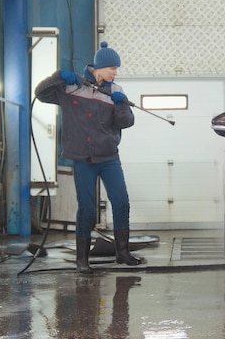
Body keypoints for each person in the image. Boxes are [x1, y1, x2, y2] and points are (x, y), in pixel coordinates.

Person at [34, 41, 142, 274]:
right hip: (83, 159)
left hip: (108, 157)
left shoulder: (116, 91)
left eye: (117, 68)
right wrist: (58, 77)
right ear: (99, 67)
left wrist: (121, 106)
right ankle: (82, 260)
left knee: (121, 202)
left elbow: (127, 122)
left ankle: (122, 253)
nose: (116, 72)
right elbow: (40, 93)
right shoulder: (72, 87)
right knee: (87, 208)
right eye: (112, 67)